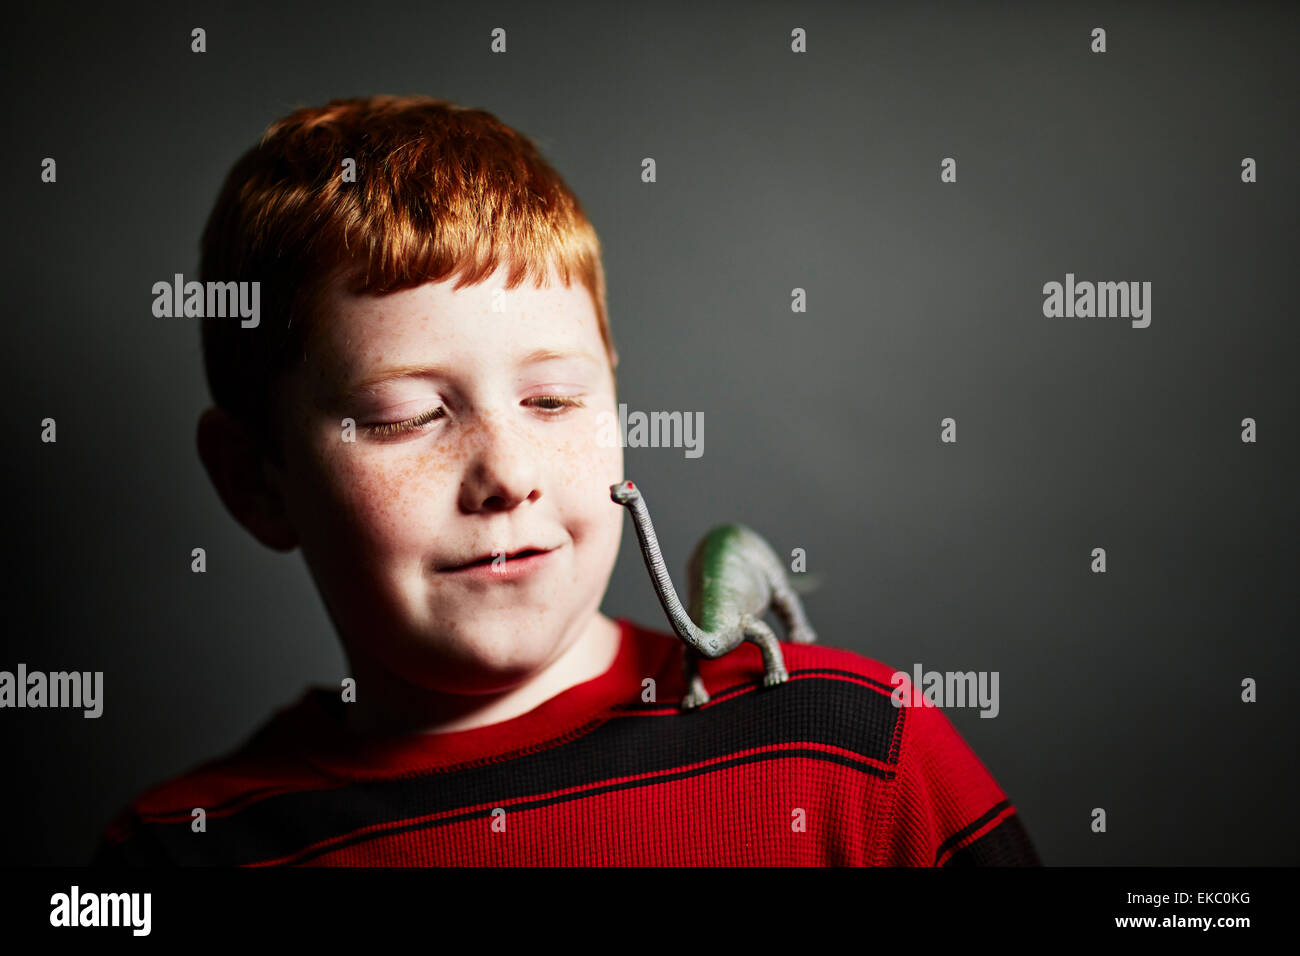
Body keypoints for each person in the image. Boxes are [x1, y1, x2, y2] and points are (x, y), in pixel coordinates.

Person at [92, 95, 1040, 866]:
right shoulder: (178, 853)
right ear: (256, 481)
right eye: (405, 416)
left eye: (551, 402)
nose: (507, 475)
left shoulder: (849, 748)